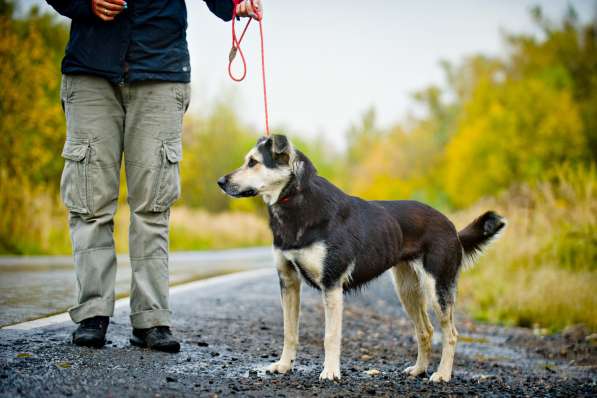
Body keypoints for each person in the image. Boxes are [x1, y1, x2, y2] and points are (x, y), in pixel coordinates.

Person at [46, 0, 262, 353]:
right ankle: (92, 315)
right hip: (90, 70)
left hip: (161, 70)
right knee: (89, 203)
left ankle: (151, 319)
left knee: (153, 205)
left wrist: (235, 3)